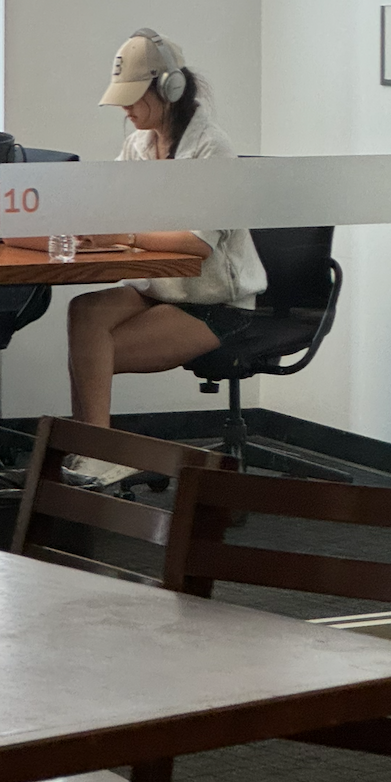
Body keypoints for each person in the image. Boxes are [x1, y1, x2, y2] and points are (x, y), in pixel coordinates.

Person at [64, 29, 267, 486]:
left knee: (95, 353)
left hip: (215, 303)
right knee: (85, 312)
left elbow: (197, 243)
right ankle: (95, 451)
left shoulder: (211, 148)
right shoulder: (139, 146)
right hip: (161, 288)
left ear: (170, 89)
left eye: (135, 97)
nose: (126, 108)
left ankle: (99, 451)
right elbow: (114, 204)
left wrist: (122, 231)